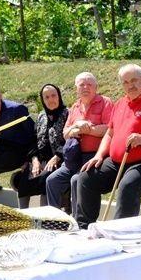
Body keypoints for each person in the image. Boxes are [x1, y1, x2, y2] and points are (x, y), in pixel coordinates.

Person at [75, 64, 141, 229]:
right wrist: (99, 155)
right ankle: (85, 228)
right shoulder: (120, 103)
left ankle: (120, 232)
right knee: (86, 177)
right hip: (118, 161)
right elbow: (110, 133)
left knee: (128, 186)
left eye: (134, 80)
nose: (130, 85)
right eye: (126, 82)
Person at [45, 72, 113, 213]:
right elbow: (65, 133)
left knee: (76, 180)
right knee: (52, 180)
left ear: (96, 87)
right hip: (74, 157)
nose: (85, 87)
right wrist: (76, 128)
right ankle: (54, 218)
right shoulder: (75, 107)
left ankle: (78, 220)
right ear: (77, 88)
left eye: (89, 84)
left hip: (95, 156)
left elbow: (109, 129)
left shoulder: (105, 103)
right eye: (82, 85)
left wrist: (87, 129)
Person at [11, 84, 69, 208]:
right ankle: (23, 214)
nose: (50, 99)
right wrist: (34, 160)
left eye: (53, 95)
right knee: (24, 179)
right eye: (46, 97)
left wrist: (57, 156)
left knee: (45, 179)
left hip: (60, 159)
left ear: (59, 96)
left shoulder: (67, 114)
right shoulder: (41, 116)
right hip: (41, 160)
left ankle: (44, 215)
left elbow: (70, 140)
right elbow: (34, 140)